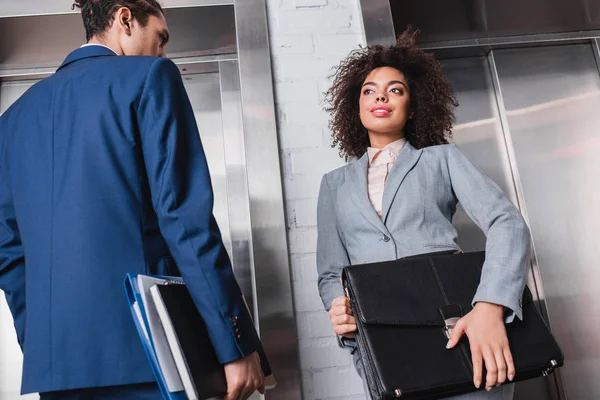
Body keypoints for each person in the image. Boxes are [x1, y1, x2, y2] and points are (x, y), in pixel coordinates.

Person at [0, 1, 264, 399]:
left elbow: (8, 252)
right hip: (151, 354)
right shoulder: (150, 76)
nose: (162, 52)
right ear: (125, 19)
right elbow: (184, 221)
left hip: (58, 371)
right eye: (160, 39)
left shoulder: (12, 120)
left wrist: (45, 347)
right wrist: (236, 343)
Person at [317, 31, 531, 400]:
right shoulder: (333, 184)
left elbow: (506, 222)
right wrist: (339, 308)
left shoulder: (441, 159)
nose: (380, 96)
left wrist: (491, 306)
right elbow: (329, 271)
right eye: (369, 90)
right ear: (356, 106)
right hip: (384, 347)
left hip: (458, 330)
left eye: (395, 89)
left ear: (413, 107)